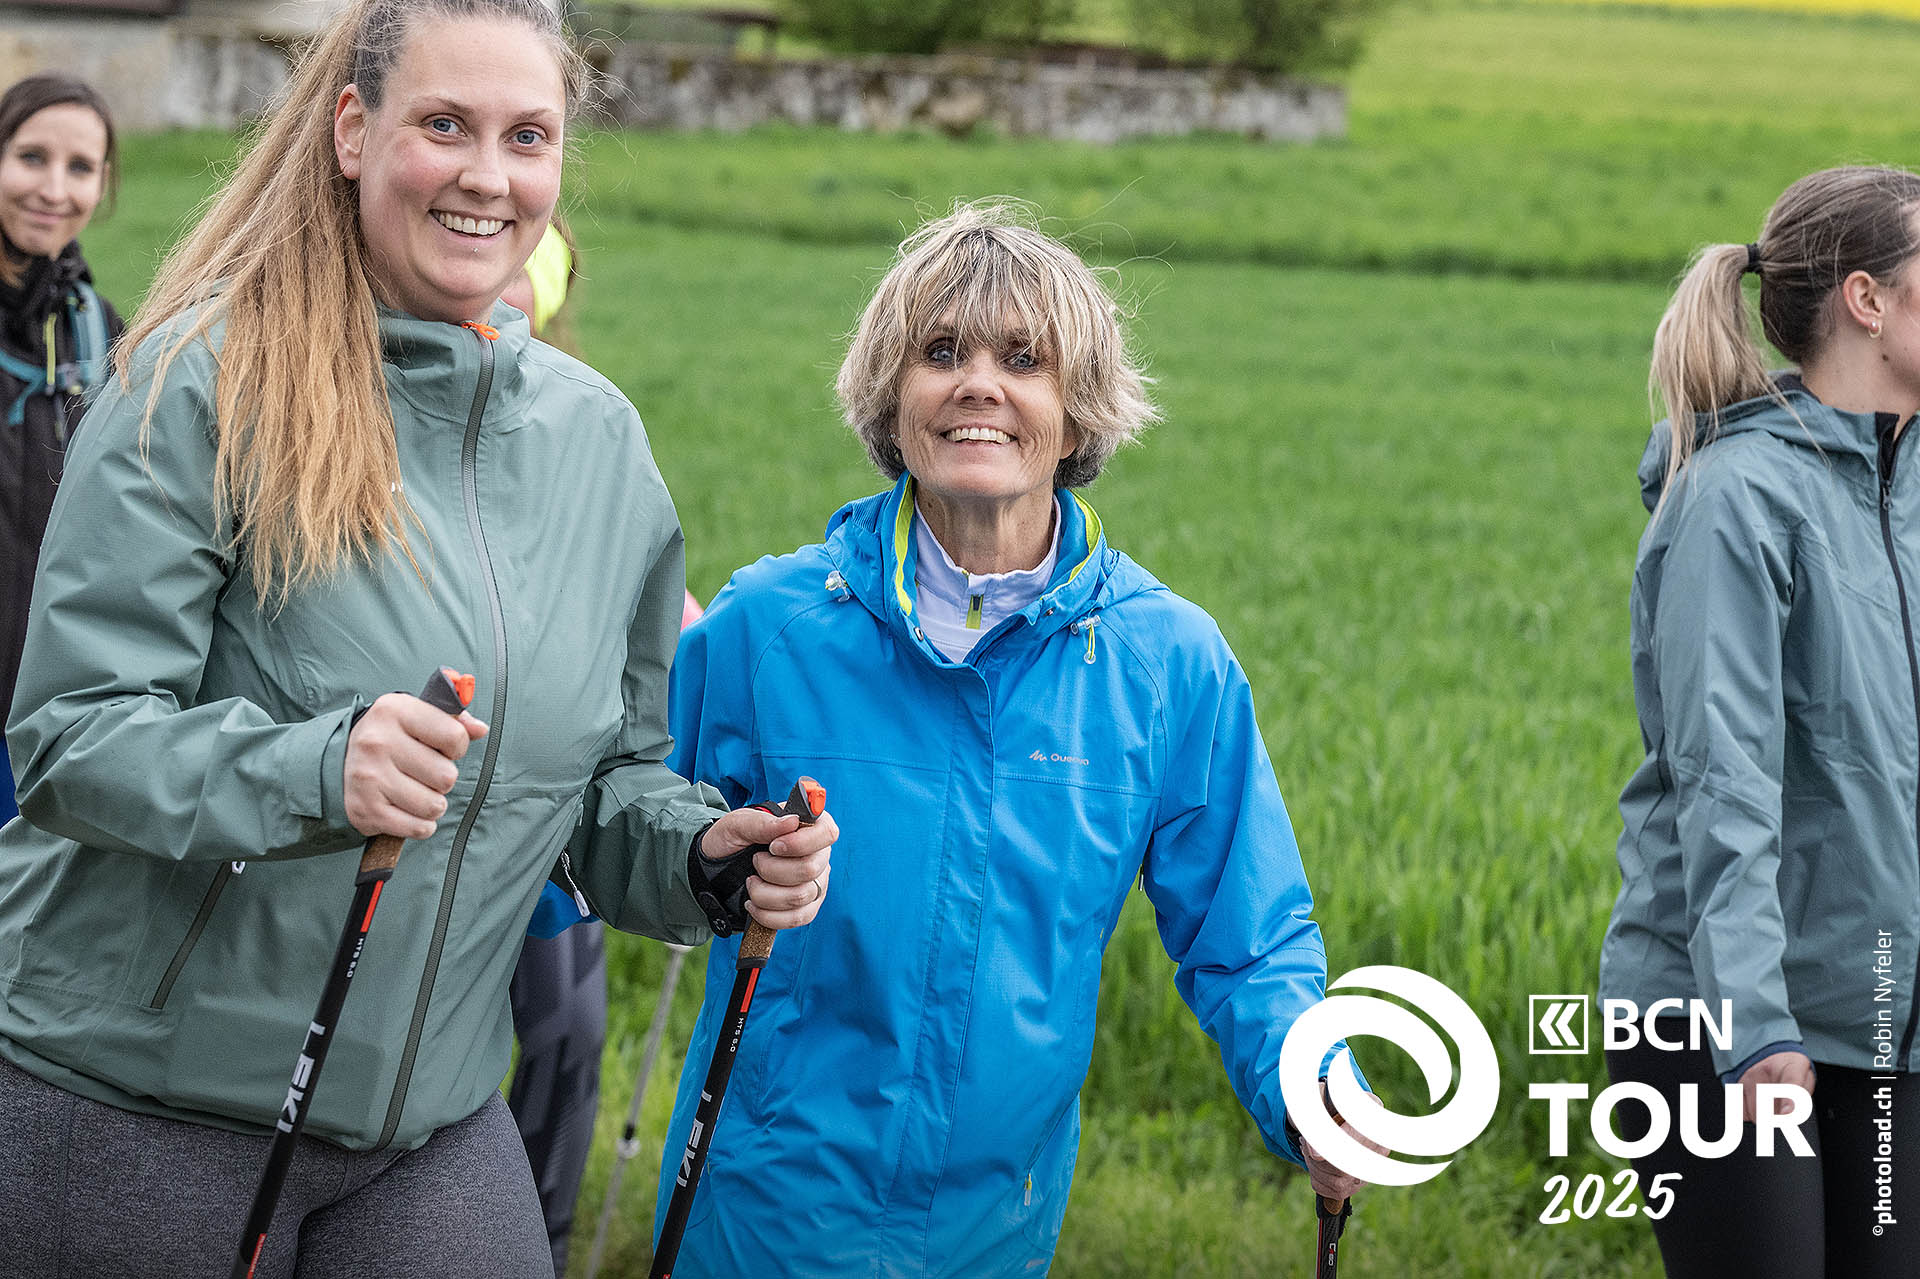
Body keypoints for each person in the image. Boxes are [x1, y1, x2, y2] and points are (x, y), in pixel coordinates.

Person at [0, 1, 834, 1275]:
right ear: (353, 131)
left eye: (527, 136)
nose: (488, 176)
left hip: (431, 1117)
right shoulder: (199, 383)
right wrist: (318, 770)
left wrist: (704, 857)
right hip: (136, 1103)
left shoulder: (600, 445)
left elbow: (595, 787)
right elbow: (72, 740)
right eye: (444, 125)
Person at [651, 201, 1375, 1275]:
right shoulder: (767, 628)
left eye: (1024, 360)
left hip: (995, 1234)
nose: (978, 384)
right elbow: (615, 838)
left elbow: (1250, 936)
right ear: (892, 400)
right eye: (941, 352)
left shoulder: (1165, 662)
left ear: (1076, 418)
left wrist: (1309, 1084)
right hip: (762, 1222)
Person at [1601, 164, 1920, 1278]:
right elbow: (1722, 777)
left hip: (1879, 1020)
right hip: (1721, 1019)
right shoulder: (1735, 499)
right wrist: (1754, 1023)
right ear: (1868, 300)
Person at [0, 73, 120, 827]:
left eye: (79, 168)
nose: (53, 189)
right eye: (31, 158)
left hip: (43, 713)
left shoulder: (97, 328)